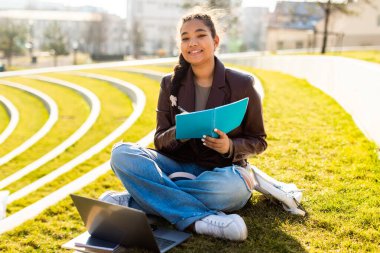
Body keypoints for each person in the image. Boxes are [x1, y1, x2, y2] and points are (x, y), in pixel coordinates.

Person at [100, 9, 267, 241]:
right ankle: (200, 221)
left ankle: (135, 201)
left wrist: (230, 146)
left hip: (221, 173)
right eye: (185, 38)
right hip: (178, 166)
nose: (192, 43)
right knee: (121, 154)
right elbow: (159, 140)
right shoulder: (170, 84)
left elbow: (259, 141)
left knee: (233, 190)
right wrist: (179, 132)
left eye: (200, 35)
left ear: (215, 41)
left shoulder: (242, 84)